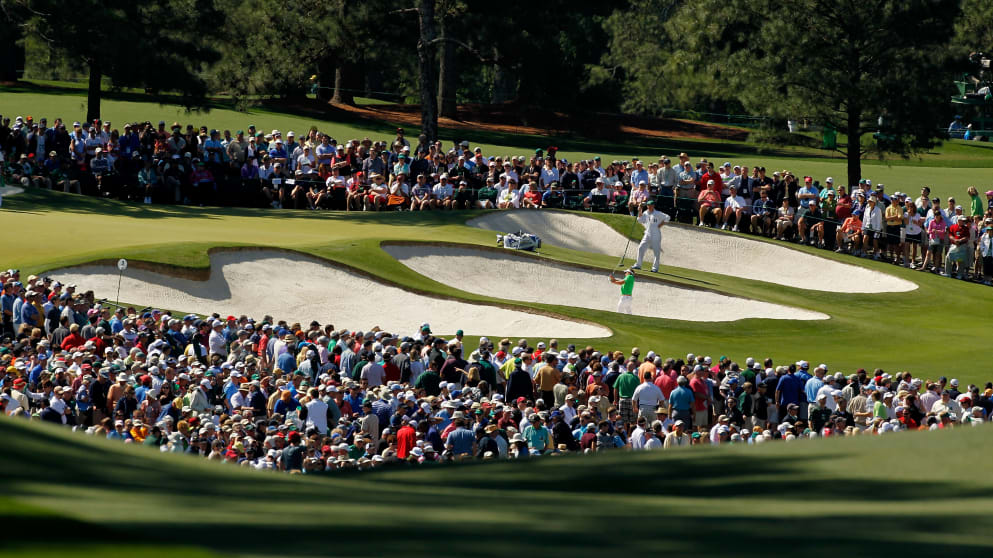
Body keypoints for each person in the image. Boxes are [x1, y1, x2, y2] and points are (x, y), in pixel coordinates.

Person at [631, 200, 669, 273]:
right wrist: (639, 211)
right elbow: (640, 220)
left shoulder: (657, 213)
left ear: (653, 206)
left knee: (656, 252)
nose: (649, 206)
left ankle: (655, 268)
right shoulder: (645, 213)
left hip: (656, 235)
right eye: (648, 205)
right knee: (641, 248)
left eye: (651, 205)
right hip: (647, 234)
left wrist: (660, 225)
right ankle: (638, 265)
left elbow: (667, 217)